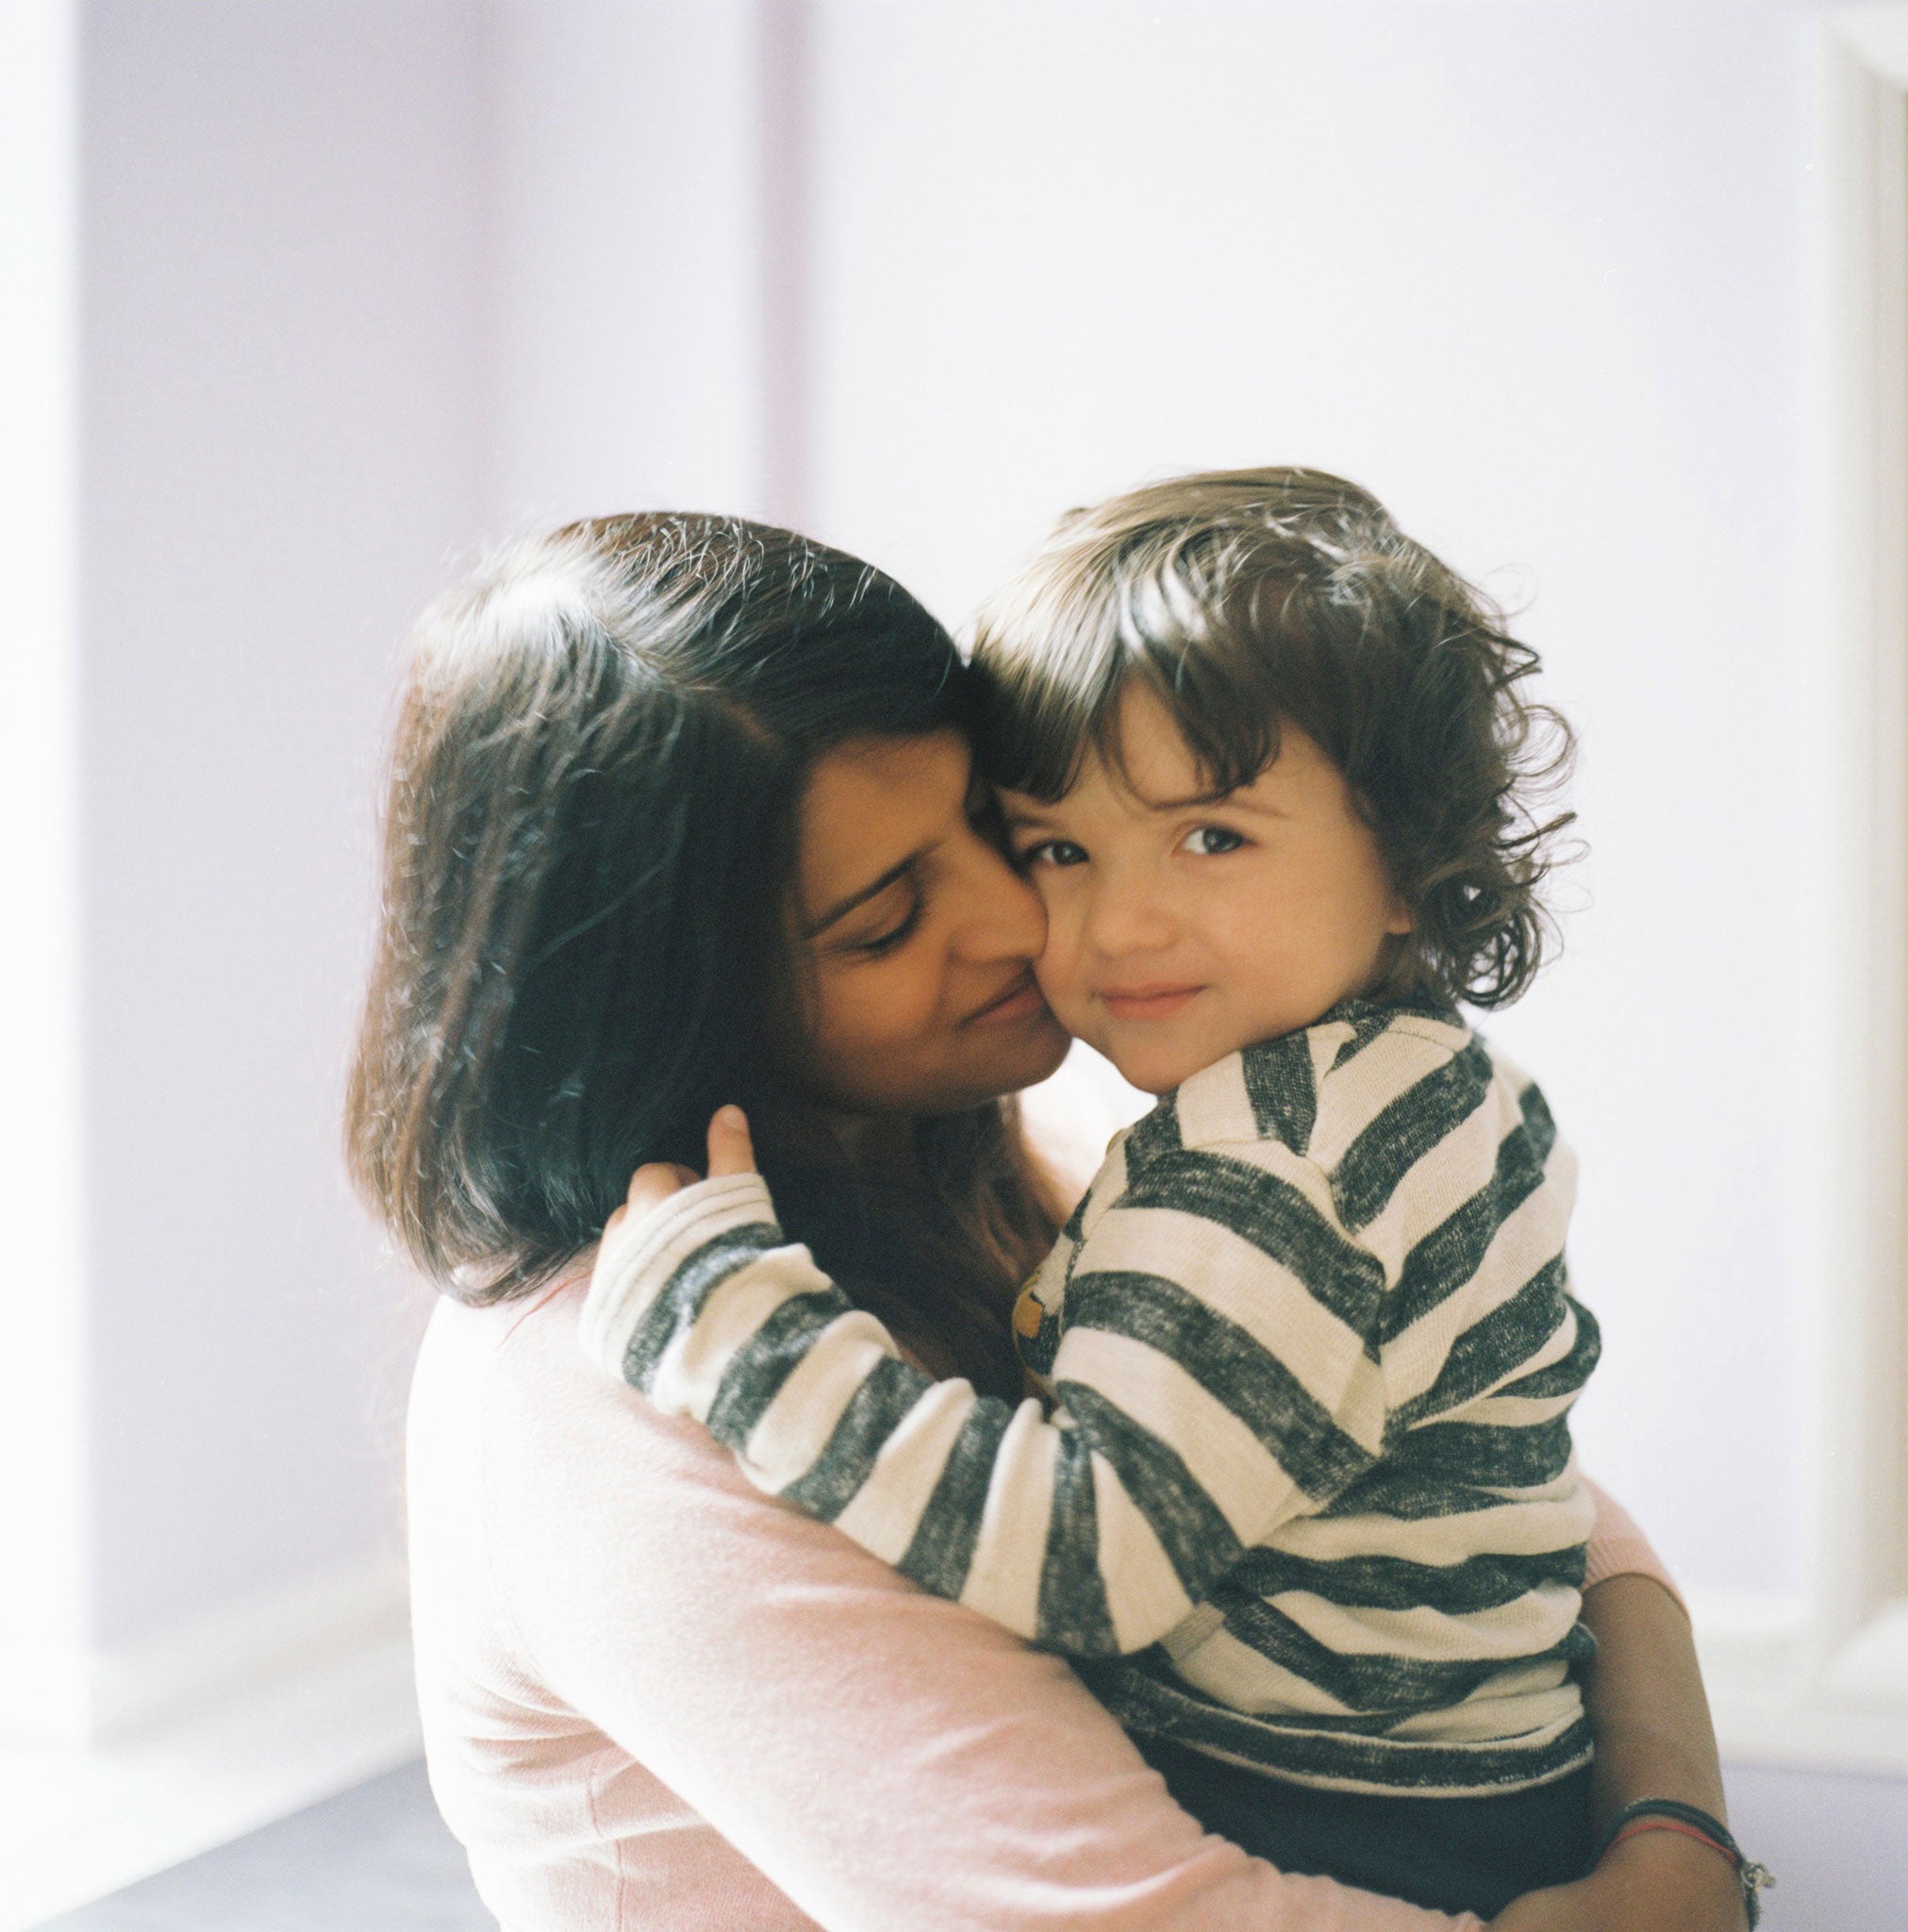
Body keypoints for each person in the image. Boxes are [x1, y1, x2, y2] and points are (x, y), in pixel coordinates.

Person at [354, 509, 1749, 1930]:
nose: (1024, 925)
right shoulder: (643, 1371)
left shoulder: (1096, 1150)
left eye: (992, 827)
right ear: (683, 1007)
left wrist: (1675, 1837)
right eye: (889, 922)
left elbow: (1502, 1489)